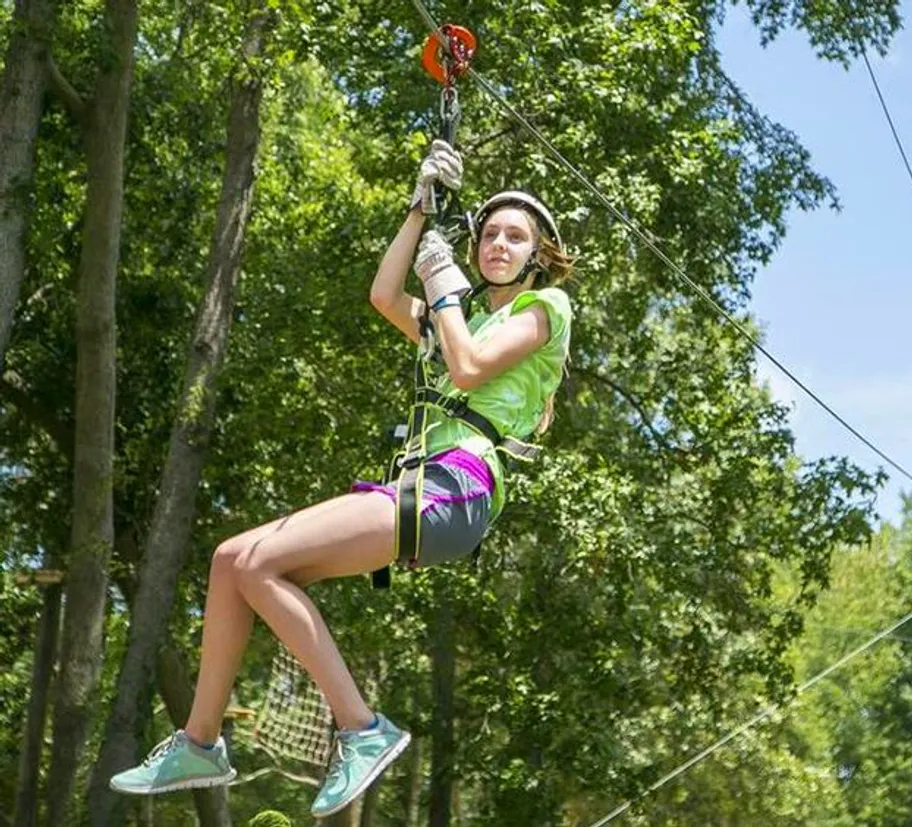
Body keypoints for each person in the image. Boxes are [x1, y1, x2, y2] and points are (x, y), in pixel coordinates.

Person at [109, 140, 574, 818]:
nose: (498, 243)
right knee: (231, 559)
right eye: (489, 232)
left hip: (460, 487)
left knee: (264, 562)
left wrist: (443, 283)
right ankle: (200, 740)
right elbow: (384, 294)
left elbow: (471, 368)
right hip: (425, 486)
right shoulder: (455, 319)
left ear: (536, 255)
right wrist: (419, 210)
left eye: (515, 236)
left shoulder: (546, 309)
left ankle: (361, 728)